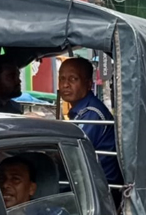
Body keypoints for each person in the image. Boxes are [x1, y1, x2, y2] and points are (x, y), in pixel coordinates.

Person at [58, 58, 123, 202]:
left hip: (101, 190)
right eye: (61, 78)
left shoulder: (92, 113)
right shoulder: (82, 110)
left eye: (73, 79)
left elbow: (72, 152)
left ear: (88, 84)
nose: (65, 84)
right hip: (89, 182)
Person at [0, 156, 70, 215]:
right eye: (0, 178)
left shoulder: (53, 213)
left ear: (31, 188)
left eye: (15, 179)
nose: (5, 184)